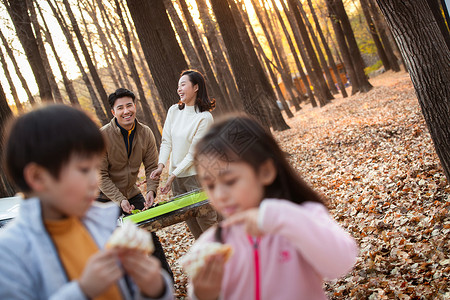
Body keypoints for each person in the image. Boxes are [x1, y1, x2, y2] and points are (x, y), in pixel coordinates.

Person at [0, 104, 173, 300]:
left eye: (95, 168)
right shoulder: (8, 253)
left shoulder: (104, 227)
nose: (95, 181)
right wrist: (83, 291)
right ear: (38, 177)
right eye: (84, 169)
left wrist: (154, 288)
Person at [187, 115, 358, 300]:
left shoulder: (299, 218)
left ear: (265, 172)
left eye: (230, 181)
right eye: (210, 186)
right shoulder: (213, 245)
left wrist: (276, 217)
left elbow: (341, 263)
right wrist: (203, 294)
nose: (220, 195)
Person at [97, 88, 173, 279]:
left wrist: (151, 191)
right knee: (117, 246)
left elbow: (151, 167)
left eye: (129, 105)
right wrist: (119, 200)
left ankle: (166, 284)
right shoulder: (103, 137)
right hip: (103, 198)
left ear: (135, 106)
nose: (126, 111)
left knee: (150, 236)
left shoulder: (145, 133)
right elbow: (100, 175)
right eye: (120, 108)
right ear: (113, 112)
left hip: (132, 193)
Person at [150, 70, 219, 239]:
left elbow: (192, 154)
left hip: (197, 177)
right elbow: (166, 141)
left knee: (208, 223)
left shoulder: (204, 117)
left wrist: (172, 175)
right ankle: (208, 260)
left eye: (183, 84)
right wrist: (161, 166)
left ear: (195, 87)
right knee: (193, 225)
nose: (179, 89)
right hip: (177, 180)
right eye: (178, 86)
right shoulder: (174, 110)